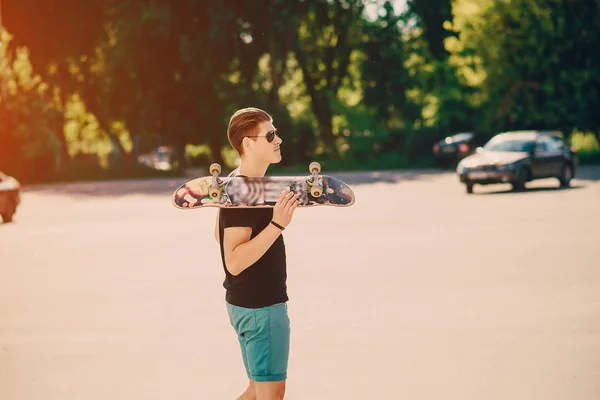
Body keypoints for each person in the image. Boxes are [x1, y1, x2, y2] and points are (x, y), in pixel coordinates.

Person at [214, 107, 300, 400]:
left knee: (256, 391)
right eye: (271, 135)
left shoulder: (238, 182)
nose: (279, 140)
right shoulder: (245, 191)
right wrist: (277, 223)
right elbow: (234, 261)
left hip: (248, 304)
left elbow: (219, 235)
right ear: (248, 143)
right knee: (270, 394)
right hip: (260, 307)